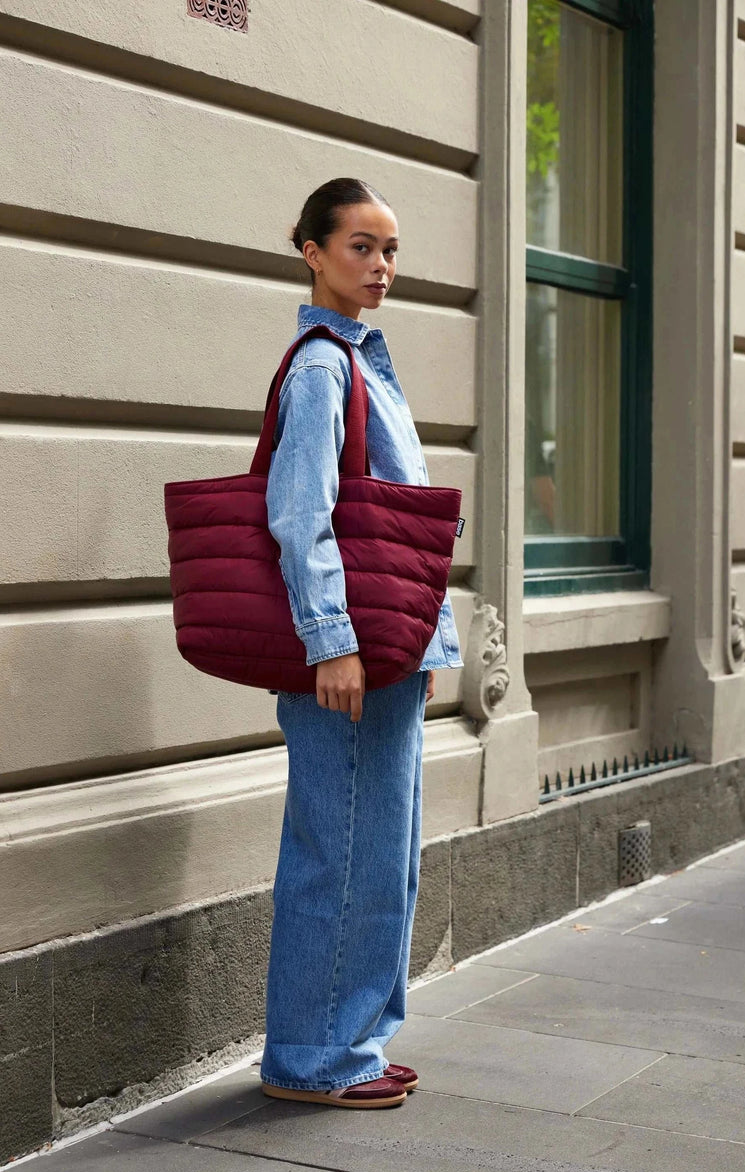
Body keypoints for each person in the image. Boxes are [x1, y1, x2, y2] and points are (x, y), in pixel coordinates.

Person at [259, 178, 463, 1110]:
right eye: (360, 248)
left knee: (382, 854)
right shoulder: (321, 367)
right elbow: (300, 516)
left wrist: (415, 647)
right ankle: (311, 1059)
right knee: (337, 855)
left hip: (386, 655)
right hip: (345, 659)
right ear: (311, 250)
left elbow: (389, 528)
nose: (381, 268)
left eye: (390, 252)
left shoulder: (365, 363)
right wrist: (330, 642)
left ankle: (355, 1045)